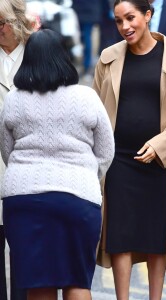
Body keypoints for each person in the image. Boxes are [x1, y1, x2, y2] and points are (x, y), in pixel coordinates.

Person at [93, 0, 166, 299]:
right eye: (118, 21)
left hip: (159, 163)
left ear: (148, 15)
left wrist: (159, 145)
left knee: (156, 237)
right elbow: (94, 111)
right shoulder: (108, 58)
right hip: (118, 161)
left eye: (131, 18)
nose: (125, 27)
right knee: (120, 237)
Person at [0, 29, 114, 300]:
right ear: (63, 58)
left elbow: (7, 150)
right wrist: (86, 174)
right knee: (77, 281)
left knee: (39, 283)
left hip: (23, 201)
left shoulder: (14, 100)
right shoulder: (86, 97)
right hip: (77, 199)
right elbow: (106, 149)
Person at [0, 1, 37, 299]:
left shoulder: (37, 51)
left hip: (30, 161)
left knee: (26, 246)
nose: (0, 29)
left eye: (3, 22)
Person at [72, 0, 102, 76]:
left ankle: (87, 65)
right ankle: (87, 64)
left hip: (84, 11)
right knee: (86, 38)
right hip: (89, 11)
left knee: (86, 39)